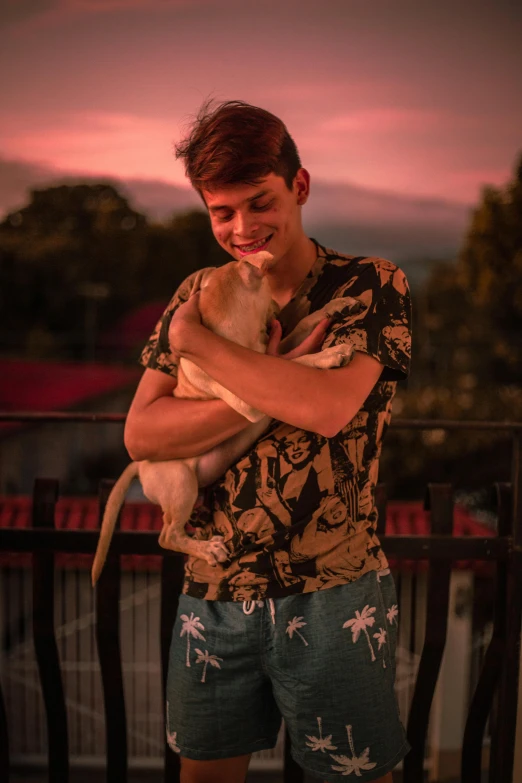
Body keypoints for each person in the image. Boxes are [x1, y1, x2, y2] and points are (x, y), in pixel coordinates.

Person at [125, 100, 412, 783]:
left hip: (334, 589)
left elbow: (325, 408)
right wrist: (259, 381)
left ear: (300, 187)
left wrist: (197, 347)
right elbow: (141, 431)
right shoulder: (196, 292)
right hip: (211, 591)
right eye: (222, 212)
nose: (242, 227)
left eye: (260, 203)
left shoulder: (370, 285)